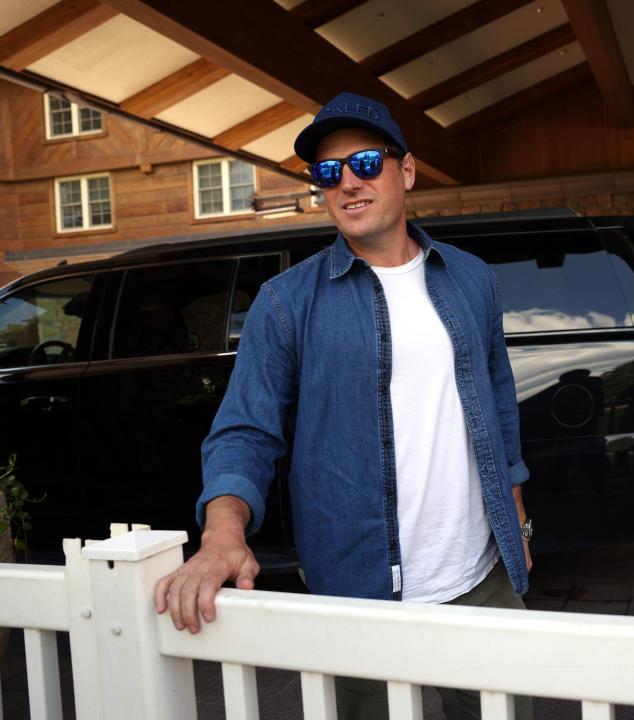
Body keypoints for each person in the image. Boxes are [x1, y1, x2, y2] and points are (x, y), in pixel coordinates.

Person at [153, 92, 533, 720]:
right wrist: (222, 533)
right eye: (328, 173)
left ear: (405, 171)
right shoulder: (285, 304)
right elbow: (244, 431)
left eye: (364, 163)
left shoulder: (471, 278)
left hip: (479, 576)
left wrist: (515, 507)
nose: (348, 183)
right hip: (355, 592)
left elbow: (496, 396)